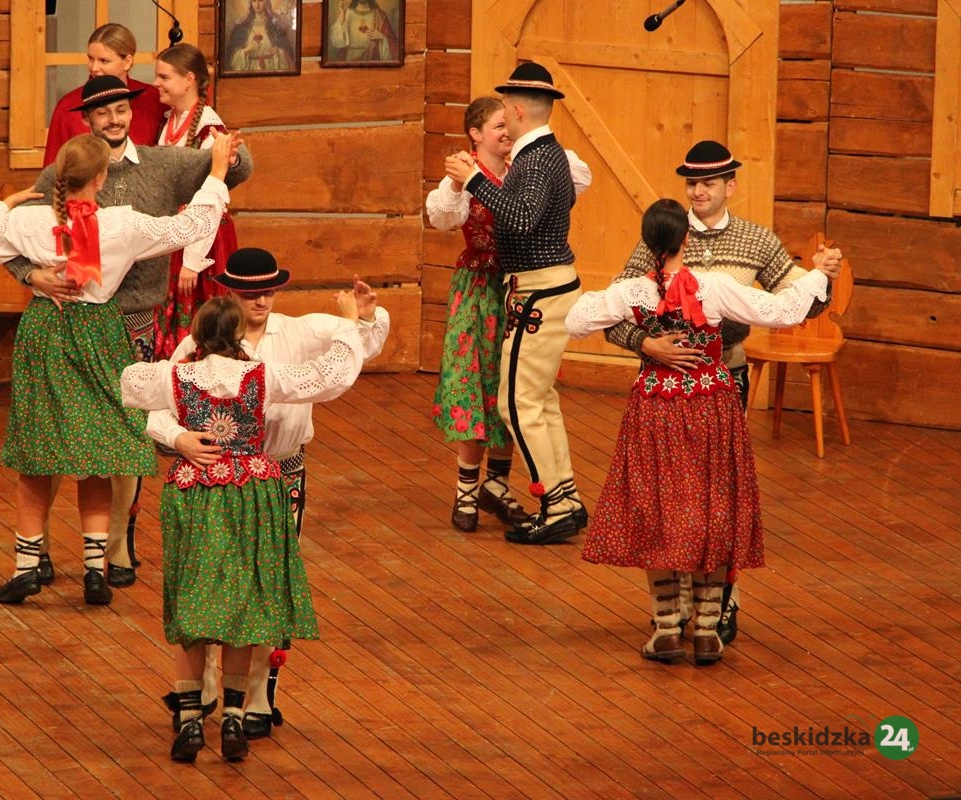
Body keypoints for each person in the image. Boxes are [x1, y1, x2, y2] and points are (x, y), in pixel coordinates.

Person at [4, 74, 254, 590]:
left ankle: (114, 553)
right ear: (88, 121)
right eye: (103, 113)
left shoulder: (163, 164)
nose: (114, 119)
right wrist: (32, 276)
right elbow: (14, 240)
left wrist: (224, 153)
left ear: (129, 114)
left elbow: (238, 169)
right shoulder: (64, 170)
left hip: (134, 320)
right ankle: (41, 554)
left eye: (120, 109)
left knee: (119, 443)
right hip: (75, 320)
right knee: (52, 440)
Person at [0, 131, 234, 606]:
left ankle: (27, 567)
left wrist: (6, 209)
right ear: (103, 177)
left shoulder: (29, 221)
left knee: (38, 452)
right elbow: (189, 227)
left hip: (48, 331)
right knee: (98, 451)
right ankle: (94, 571)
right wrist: (214, 173)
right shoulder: (120, 225)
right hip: (99, 334)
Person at [566, 198, 831, 664]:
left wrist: (645, 339)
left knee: (659, 507)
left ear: (648, 242)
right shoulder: (714, 287)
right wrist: (818, 273)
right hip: (711, 402)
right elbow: (783, 311)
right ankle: (707, 630)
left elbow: (576, 321)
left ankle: (667, 627)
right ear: (685, 239)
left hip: (656, 405)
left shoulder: (632, 292)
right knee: (715, 506)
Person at [120, 286, 367, 763]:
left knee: (193, 600)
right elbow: (330, 376)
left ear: (196, 336)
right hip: (252, 492)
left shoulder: (176, 378)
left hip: (196, 492)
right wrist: (352, 325)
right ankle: (234, 715)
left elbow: (131, 381)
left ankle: (191, 720)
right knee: (244, 601)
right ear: (239, 333)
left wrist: (177, 431)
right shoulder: (262, 374)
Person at [427, 96, 593, 533]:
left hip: (523, 288)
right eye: (496, 126)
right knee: (472, 385)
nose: (505, 132)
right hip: (481, 290)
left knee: (514, 389)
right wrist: (466, 181)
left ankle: (497, 484)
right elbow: (443, 218)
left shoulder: (528, 166)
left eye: (508, 123)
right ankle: (466, 488)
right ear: (475, 135)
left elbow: (557, 185)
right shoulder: (464, 178)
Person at [151, 44, 239, 360]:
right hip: (178, 233)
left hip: (203, 241)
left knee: (201, 319)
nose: (156, 84)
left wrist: (193, 260)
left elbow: (212, 200)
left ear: (189, 79)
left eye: (164, 77)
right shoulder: (170, 121)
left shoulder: (209, 129)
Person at [43, 23, 168, 167]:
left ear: (127, 62)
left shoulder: (153, 99)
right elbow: (53, 172)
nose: (94, 68)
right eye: (91, 59)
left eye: (104, 61)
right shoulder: (69, 106)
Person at [227, 0, 296, 72]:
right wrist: (246, 50)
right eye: (254, 1)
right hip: (250, 70)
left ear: (267, 2)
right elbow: (231, 57)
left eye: (261, 0)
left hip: (271, 68)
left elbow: (288, 52)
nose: (257, 5)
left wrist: (278, 51)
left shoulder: (275, 26)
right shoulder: (242, 28)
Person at [327, 0, 400, 62]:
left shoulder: (380, 15)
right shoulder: (347, 13)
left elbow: (393, 42)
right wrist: (343, 14)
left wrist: (382, 37)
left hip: (372, 59)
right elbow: (338, 41)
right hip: (350, 60)